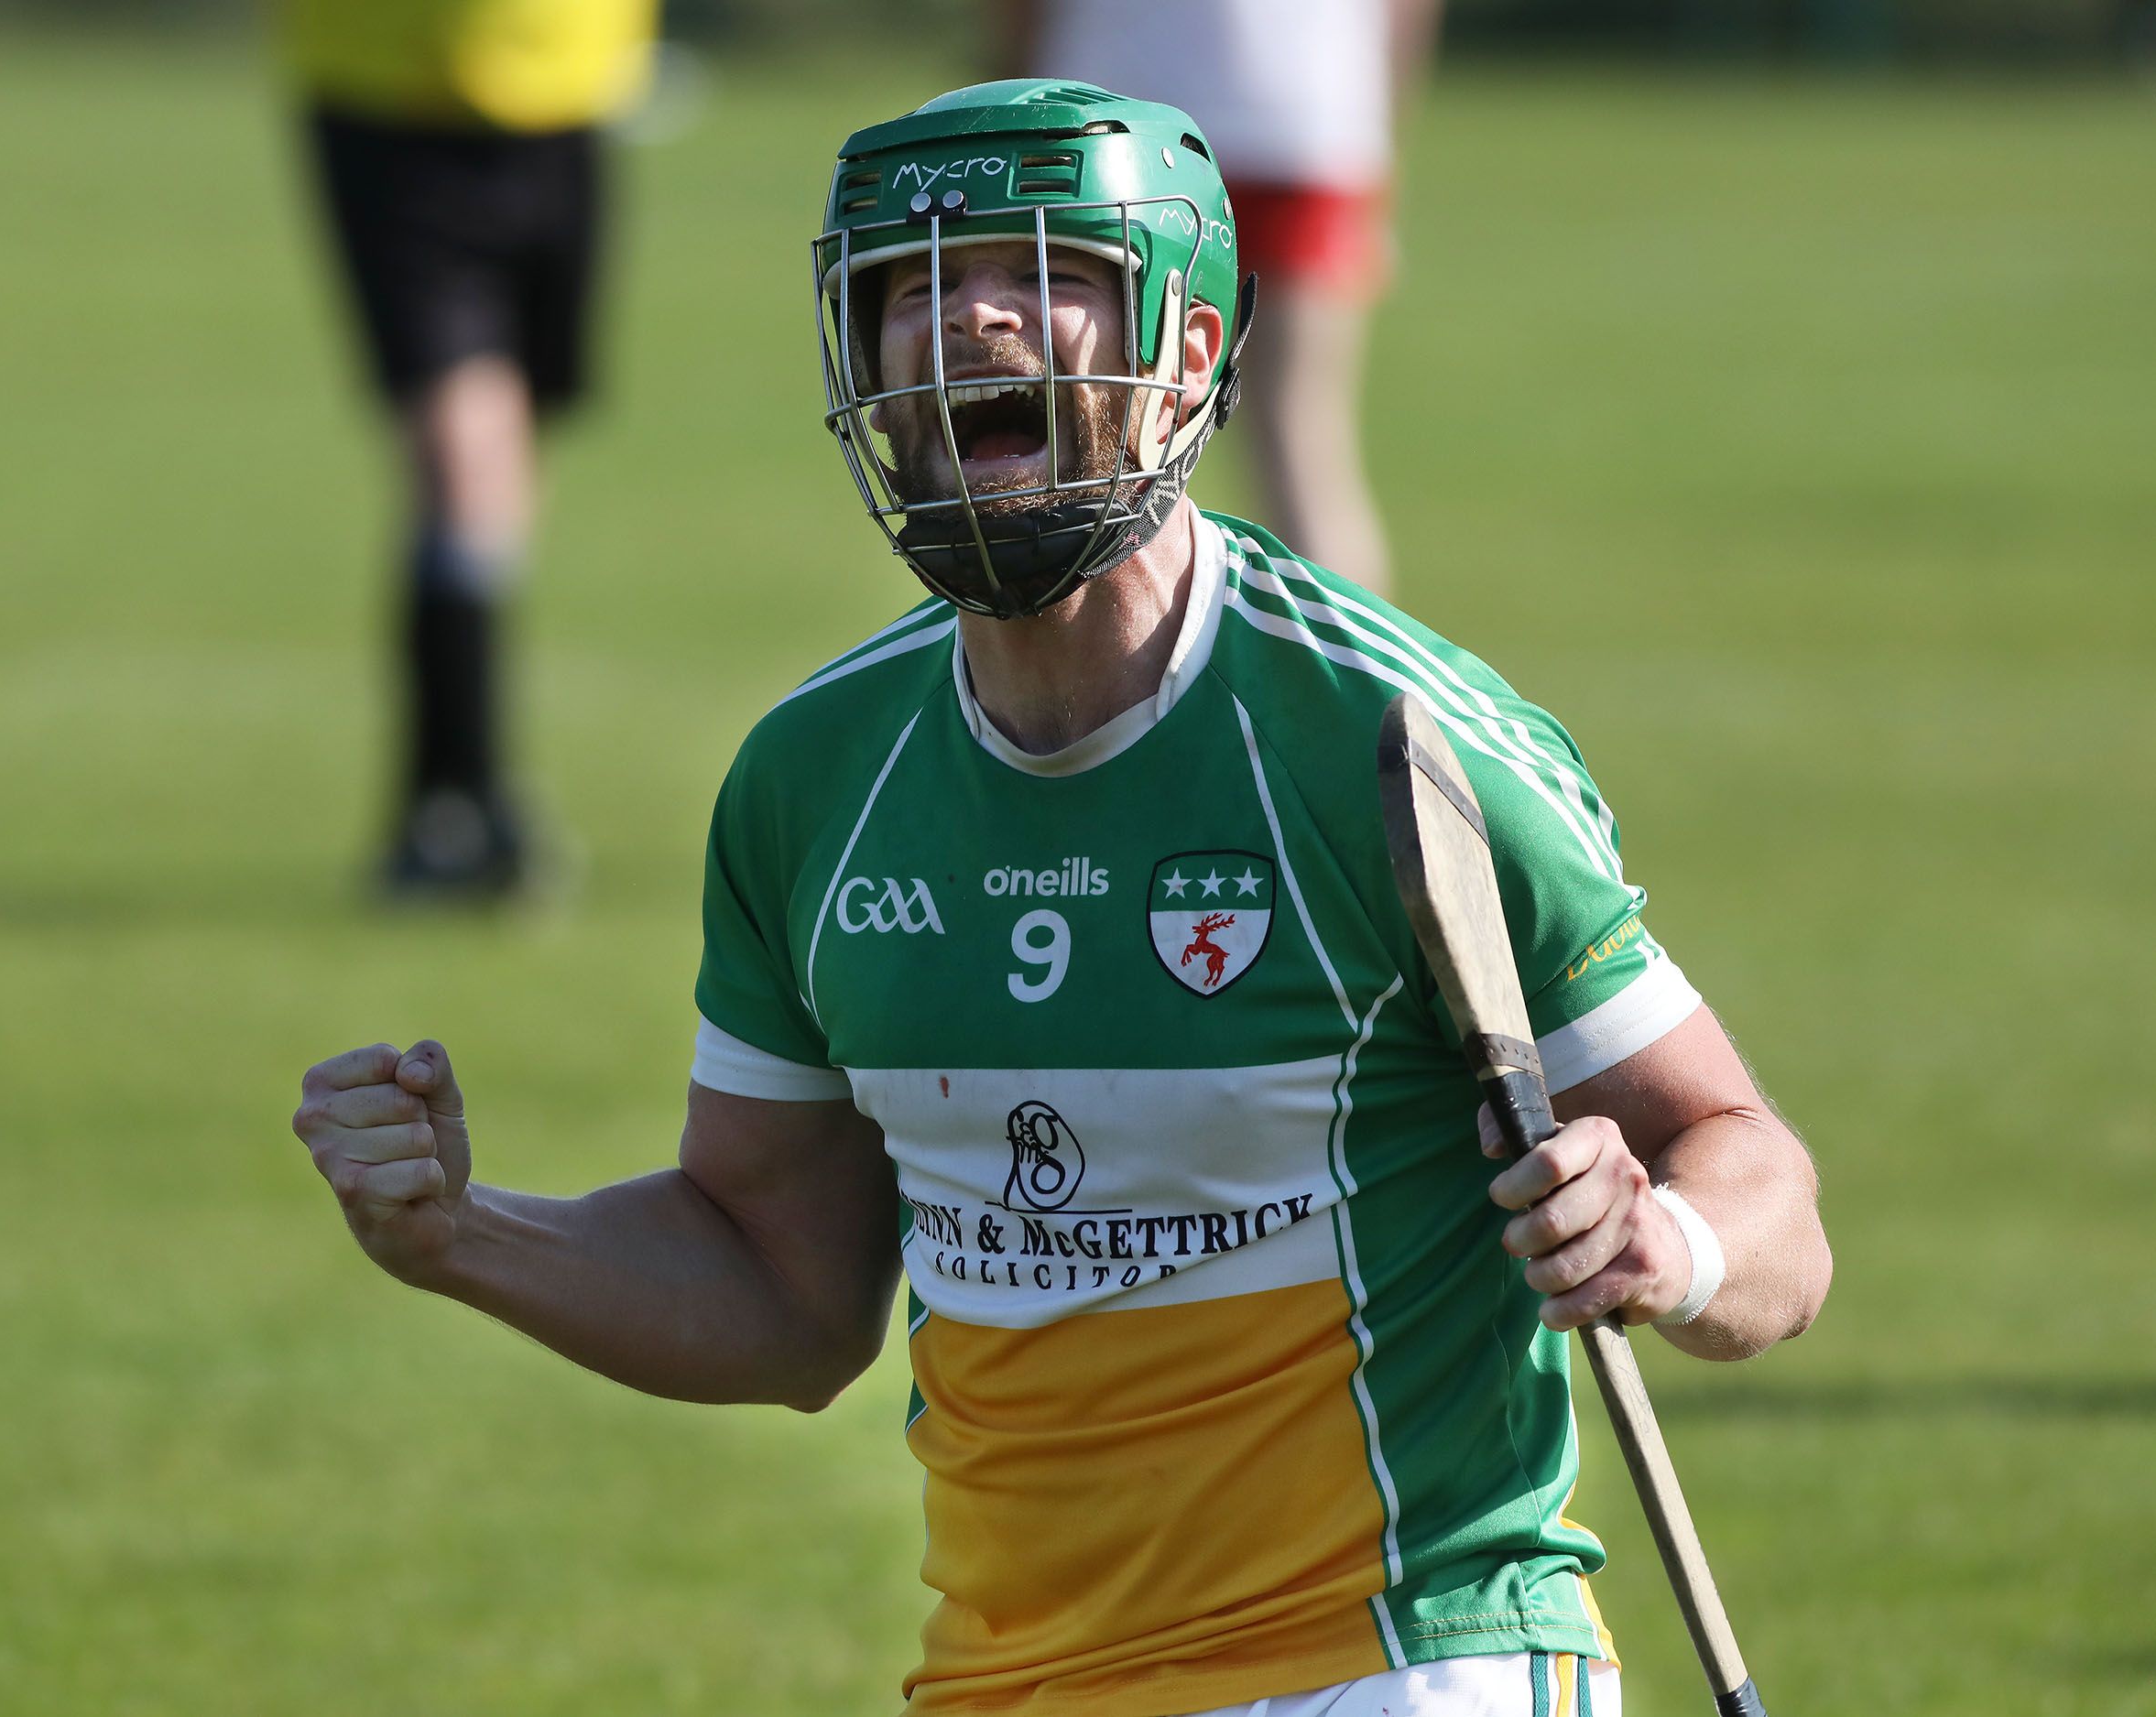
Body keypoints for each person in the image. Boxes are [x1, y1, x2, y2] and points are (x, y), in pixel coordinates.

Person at [291, 82, 1831, 1716]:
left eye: (1047, 270)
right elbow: (781, 1290)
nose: (966, 316)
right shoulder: (814, 786)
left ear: (1189, 347)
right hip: (1008, 1686)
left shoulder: (1388, 742)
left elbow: (1765, 1194)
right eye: (909, 284)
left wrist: (1658, 1237)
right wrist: (465, 1235)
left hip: (1401, 1662)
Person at [279, 0, 659, 898]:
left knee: (505, 466)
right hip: (393, 99)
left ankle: (434, 807)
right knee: (465, 453)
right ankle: (475, 808)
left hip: (568, 87)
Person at [1002, 0, 1442, 596]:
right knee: (1303, 440)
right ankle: (1357, 684)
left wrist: (1012, 104)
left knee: (1097, 440)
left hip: (1114, 134)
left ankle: (1093, 681)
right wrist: (1373, 125)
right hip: (1307, 118)